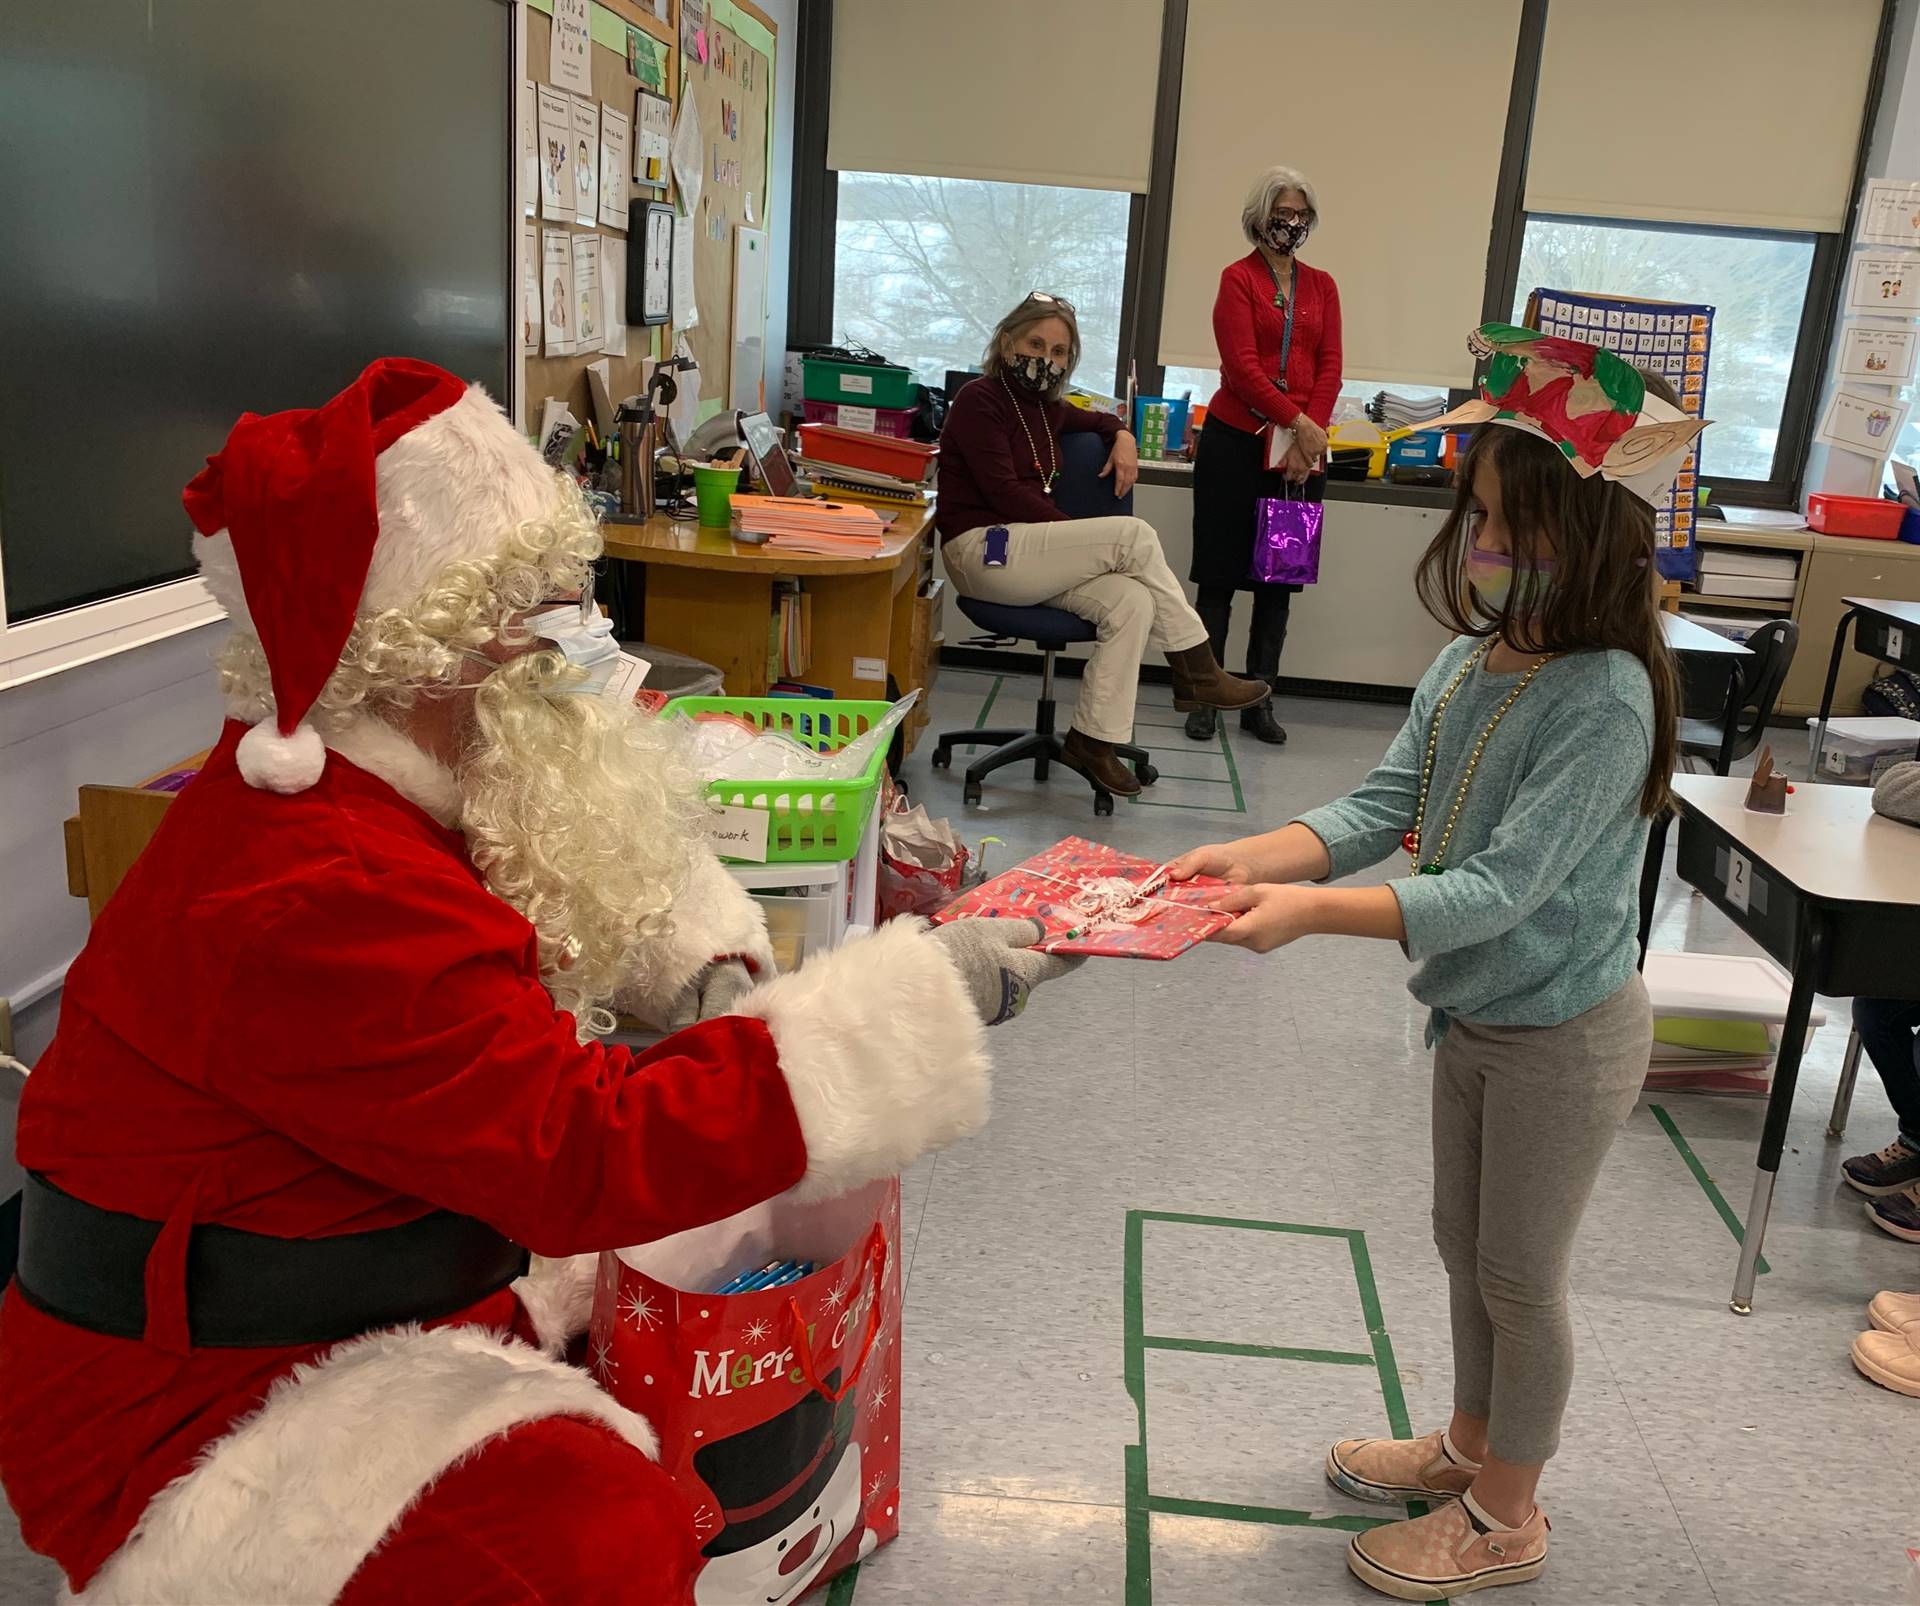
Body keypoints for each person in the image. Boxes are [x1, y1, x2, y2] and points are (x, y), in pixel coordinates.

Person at [0, 358, 1079, 1604]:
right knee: (601, 1531)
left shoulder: (384, 788)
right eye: (537, 612)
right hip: (202, 1403)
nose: (576, 643)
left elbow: (573, 880)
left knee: (715, 1222)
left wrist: (717, 979)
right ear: (432, 650)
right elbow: (574, 1153)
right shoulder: (315, 885)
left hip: (359, 1261)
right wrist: (917, 998)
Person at [1171, 324, 1707, 1600]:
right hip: (1477, 1020)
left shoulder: (1607, 697)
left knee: (1521, 1273)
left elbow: (1498, 889)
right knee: (1464, 1248)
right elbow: (1383, 804)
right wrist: (1250, 854)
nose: (1485, 553)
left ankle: (1509, 1512)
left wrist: (1310, 917)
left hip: (1564, 1035)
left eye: (1515, 533)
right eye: (1478, 522)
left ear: (1588, 544)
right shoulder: (1473, 661)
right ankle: (1470, 1444)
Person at [938, 293, 1271, 797]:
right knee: (1129, 536)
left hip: (1028, 558)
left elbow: (1099, 420)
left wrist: (1124, 435)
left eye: (1058, 352)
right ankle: (1198, 668)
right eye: (1035, 344)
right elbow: (1002, 491)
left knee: (1131, 599)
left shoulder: (1047, 410)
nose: (1045, 360)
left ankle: (1094, 739)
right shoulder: (979, 399)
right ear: (1007, 342)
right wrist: (1078, 539)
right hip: (983, 550)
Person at [1186, 165, 1343, 747]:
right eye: (1283, 212)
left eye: (1301, 213)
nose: (1292, 223)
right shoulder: (1237, 279)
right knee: (1219, 578)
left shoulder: (1323, 286)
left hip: (1301, 454)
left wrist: (1310, 436)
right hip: (1235, 444)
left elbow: (1330, 365)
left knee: (1279, 582)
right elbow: (1242, 368)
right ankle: (1205, 695)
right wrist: (1297, 423)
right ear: (1260, 216)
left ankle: (1261, 698)